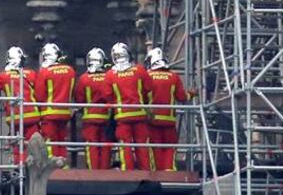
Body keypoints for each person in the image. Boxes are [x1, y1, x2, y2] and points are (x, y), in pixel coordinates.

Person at [106, 42, 155, 171]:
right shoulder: (139, 70)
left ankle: (127, 171)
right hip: (139, 115)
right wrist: (148, 108)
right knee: (142, 145)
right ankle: (146, 171)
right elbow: (149, 90)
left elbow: (108, 97)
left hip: (122, 116)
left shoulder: (110, 74)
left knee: (125, 147)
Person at [145, 47, 195, 171]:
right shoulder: (173, 77)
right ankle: (169, 171)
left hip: (152, 120)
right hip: (169, 120)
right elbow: (182, 97)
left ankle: (156, 172)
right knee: (169, 147)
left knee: (154, 147)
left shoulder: (147, 76)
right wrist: (192, 94)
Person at [0, 46, 41, 163]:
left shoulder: (3, 76)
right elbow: (39, 90)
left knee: (18, 143)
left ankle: (19, 166)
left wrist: (7, 71)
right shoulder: (31, 74)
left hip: (15, 116)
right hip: (32, 114)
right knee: (33, 143)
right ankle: (31, 166)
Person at [34, 43, 76, 161]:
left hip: (49, 112)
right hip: (65, 112)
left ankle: (53, 167)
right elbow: (73, 91)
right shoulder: (70, 70)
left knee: (50, 140)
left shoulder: (45, 72)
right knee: (61, 140)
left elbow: (39, 94)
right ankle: (63, 165)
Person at [75, 48, 112, 169]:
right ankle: (105, 170)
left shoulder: (84, 79)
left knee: (92, 146)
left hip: (90, 118)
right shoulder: (108, 77)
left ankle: (93, 171)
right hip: (106, 117)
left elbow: (79, 99)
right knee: (106, 146)